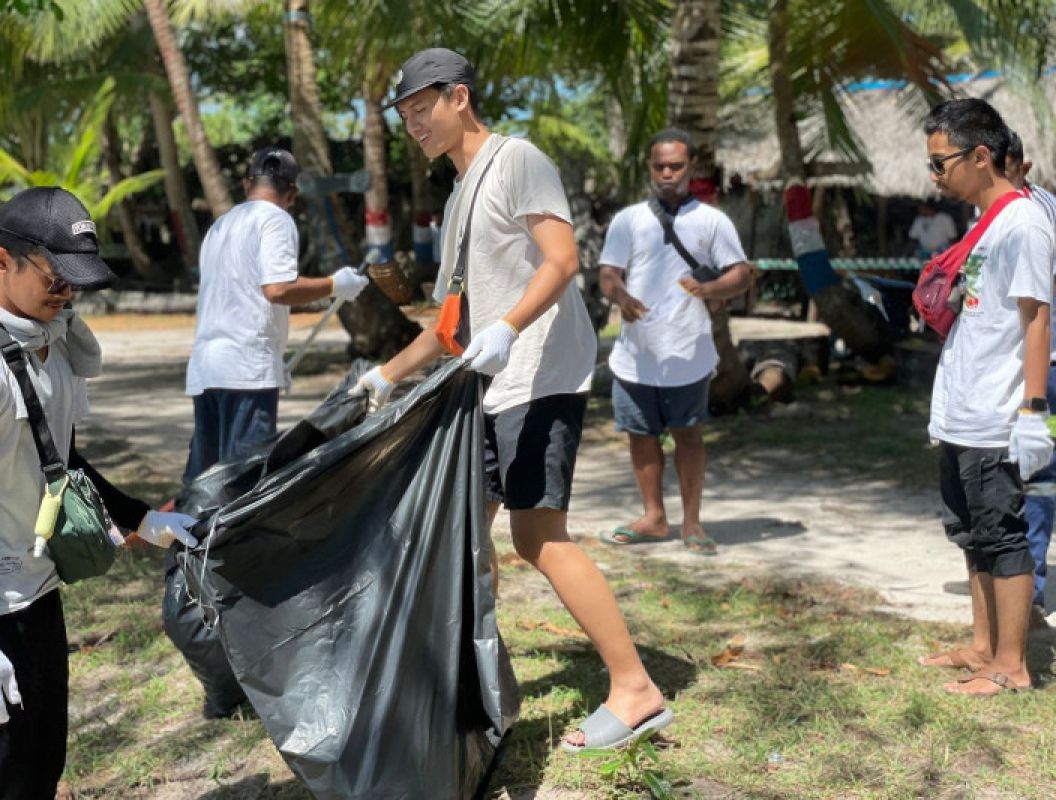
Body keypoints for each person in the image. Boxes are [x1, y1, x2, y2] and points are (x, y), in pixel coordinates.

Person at [350, 47, 670, 751]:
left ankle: (636, 688)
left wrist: (509, 326)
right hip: (495, 380)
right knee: (463, 533)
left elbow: (563, 261)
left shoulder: (517, 159)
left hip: (541, 372)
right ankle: (463, 678)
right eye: (404, 117)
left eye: (420, 109)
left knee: (537, 536)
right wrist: (386, 375)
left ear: (458, 97)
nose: (414, 125)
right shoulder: (460, 194)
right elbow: (451, 323)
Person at [0, 187, 199, 799]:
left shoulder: (46, 336)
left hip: (34, 585)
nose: (67, 294)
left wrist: (144, 519)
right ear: (2, 262)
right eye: (55, 277)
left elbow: (58, 455)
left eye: (75, 282)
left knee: (39, 765)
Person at [916, 99, 1054, 695]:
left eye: (941, 163)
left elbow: (1036, 319)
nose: (935, 176)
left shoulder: (1023, 223)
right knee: (970, 532)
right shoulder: (987, 220)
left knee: (1002, 535)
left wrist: (1032, 410)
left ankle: (1012, 665)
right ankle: (982, 645)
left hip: (996, 413)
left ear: (980, 155)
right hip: (962, 409)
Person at [597, 128, 753, 555]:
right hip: (635, 353)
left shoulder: (711, 221)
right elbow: (608, 271)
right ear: (650, 168)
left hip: (688, 350)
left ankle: (692, 523)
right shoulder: (628, 219)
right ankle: (653, 517)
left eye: (676, 166)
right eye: (659, 166)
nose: (667, 173)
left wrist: (710, 289)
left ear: (692, 168)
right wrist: (621, 296)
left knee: (688, 435)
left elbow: (740, 272)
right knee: (640, 435)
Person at [183, 147, 369, 482]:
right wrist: (334, 284)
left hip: (207, 367)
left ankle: (194, 536)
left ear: (245, 184)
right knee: (244, 484)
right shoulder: (276, 219)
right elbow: (278, 289)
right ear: (293, 193)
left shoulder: (220, 226)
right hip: (246, 369)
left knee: (206, 484)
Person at [1004, 130, 1056, 628]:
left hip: (1046, 367)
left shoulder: (1036, 214)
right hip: (1019, 363)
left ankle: (1033, 590)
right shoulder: (994, 215)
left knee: (1037, 476)